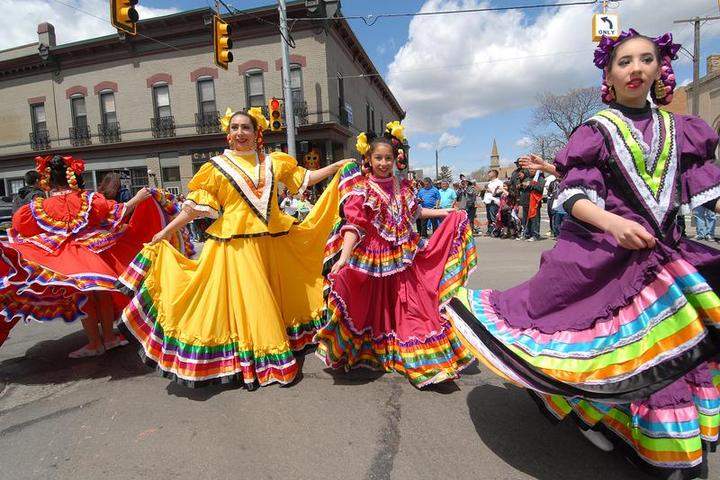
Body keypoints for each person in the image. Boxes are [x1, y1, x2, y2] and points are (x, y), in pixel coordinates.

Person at [446, 30, 720, 478]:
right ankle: (588, 411)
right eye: (624, 61)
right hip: (611, 258)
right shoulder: (597, 131)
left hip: (668, 260)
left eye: (645, 59)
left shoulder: (682, 130)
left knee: (668, 352)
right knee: (606, 351)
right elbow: (574, 194)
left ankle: (662, 442)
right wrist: (613, 223)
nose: (636, 68)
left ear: (658, 68)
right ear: (609, 74)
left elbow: (707, 192)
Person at [117, 107, 349, 389]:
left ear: (256, 133)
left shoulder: (274, 162)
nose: (240, 133)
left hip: (275, 243)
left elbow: (304, 179)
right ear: (228, 134)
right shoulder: (216, 168)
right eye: (235, 128)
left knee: (284, 292)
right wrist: (165, 232)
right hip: (236, 249)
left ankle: (282, 345)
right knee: (252, 302)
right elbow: (193, 210)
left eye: (246, 128)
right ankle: (260, 361)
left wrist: (335, 168)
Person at [315, 123, 477, 387]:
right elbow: (354, 226)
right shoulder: (361, 189)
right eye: (378, 158)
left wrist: (446, 213)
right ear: (368, 159)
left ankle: (424, 361)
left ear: (395, 159)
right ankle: (375, 352)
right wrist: (343, 259)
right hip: (371, 259)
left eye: (388, 158)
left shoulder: (403, 187)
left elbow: (416, 214)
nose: (383, 163)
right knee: (370, 307)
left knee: (411, 307)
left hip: (404, 257)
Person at [0, 154, 180, 357]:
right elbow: (117, 211)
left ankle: (95, 343)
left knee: (85, 297)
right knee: (102, 293)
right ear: (72, 176)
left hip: (68, 257)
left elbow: (19, 225)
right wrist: (138, 199)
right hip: (97, 252)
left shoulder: (39, 206)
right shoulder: (89, 199)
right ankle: (110, 338)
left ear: (47, 180)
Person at [483, 169, 502, 236]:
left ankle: (496, 231)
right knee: (489, 217)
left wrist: (490, 190)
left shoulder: (499, 182)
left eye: (490, 172)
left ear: (494, 174)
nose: (488, 174)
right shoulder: (490, 182)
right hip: (488, 202)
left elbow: (500, 191)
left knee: (493, 217)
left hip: (494, 201)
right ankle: (490, 230)